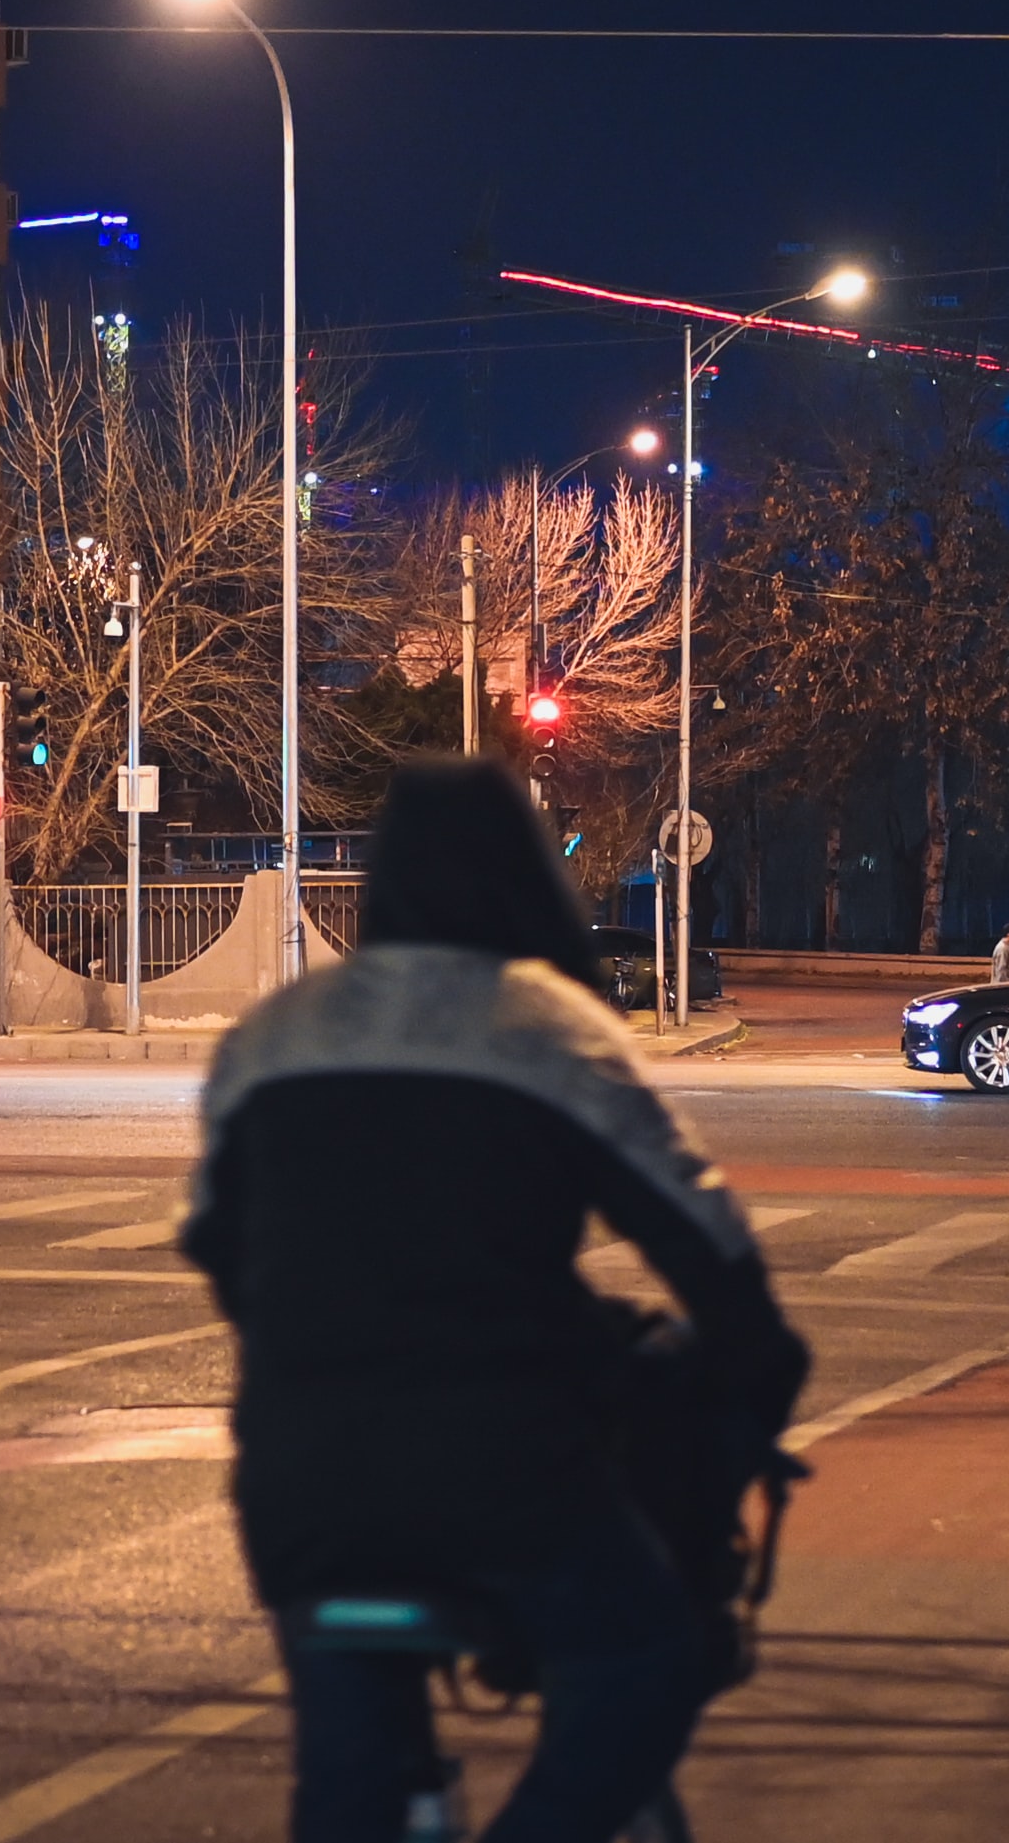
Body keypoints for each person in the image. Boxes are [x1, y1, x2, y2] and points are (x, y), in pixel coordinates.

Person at [182, 757, 811, 1843]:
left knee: (348, 1778)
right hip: (507, 1471)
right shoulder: (548, 1029)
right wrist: (751, 1384)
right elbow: (708, 1253)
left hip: (302, 1481)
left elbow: (218, 1246)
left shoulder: (271, 1036)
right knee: (643, 1658)